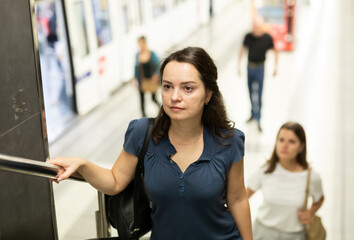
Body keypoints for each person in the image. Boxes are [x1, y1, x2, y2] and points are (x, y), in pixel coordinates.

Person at [48, 47, 253, 240]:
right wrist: (82, 165)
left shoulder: (229, 141)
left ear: (208, 94)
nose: (174, 97)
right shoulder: (142, 132)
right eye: (167, 87)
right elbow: (115, 181)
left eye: (188, 88)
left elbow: (237, 199)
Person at [246, 122, 324, 240]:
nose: (285, 145)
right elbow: (242, 198)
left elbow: (319, 198)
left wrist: (310, 212)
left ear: (301, 147)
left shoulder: (311, 176)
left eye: (292, 141)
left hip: (295, 235)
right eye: (281, 140)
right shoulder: (265, 171)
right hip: (262, 232)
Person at [237, 18, 278, 132]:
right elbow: (242, 49)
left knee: (259, 94)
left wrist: (275, 67)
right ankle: (252, 113)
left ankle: (259, 118)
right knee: (250, 92)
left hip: (260, 68)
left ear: (261, 28)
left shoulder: (267, 38)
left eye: (257, 28)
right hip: (250, 67)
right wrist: (238, 65)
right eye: (253, 27)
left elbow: (275, 50)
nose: (254, 30)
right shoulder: (248, 36)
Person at [134, 36, 160, 117]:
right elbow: (135, 67)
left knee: (154, 99)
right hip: (142, 80)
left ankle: (162, 110)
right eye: (139, 44)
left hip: (151, 80)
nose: (140, 46)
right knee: (141, 99)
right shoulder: (137, 55)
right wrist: (135, 79)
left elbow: (159, 65)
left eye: (141, 43)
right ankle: (143, 116)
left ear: (145, 43)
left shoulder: (152, 54)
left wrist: (157, 74)